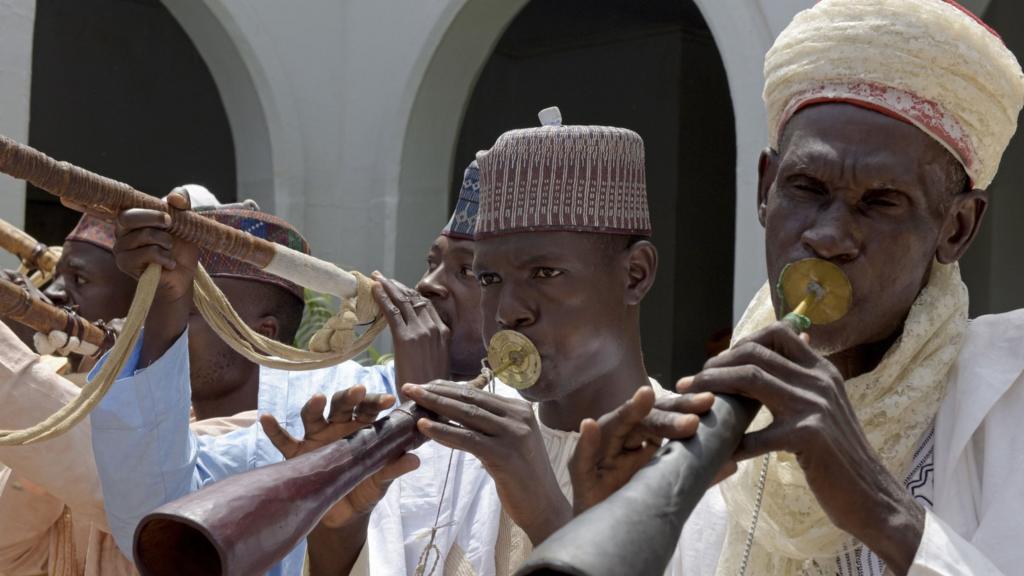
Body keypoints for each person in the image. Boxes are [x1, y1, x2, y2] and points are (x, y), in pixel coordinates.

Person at [572, 1, 1024, 574]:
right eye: (807, 188)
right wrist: (612, 530)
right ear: (766, 188)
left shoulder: (1009, 396)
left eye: (882, 202)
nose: (830, 235)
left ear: (956, 228)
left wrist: (881, 508)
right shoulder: (712, 421)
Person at [276, 115, 714, 575]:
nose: (508, 310)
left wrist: (544, 512)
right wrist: (337, 529)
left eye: (544, 273)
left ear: (635, 274)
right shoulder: (442, 448)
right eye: (489, 278)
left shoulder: (698, 465)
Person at [90, 190, 450, 576]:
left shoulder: (350, 394)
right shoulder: (256, 442)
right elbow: (151, 520)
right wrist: (166, 303)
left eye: (188, 313)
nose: (431, 287)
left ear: (260, 332)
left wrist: (418, 398)